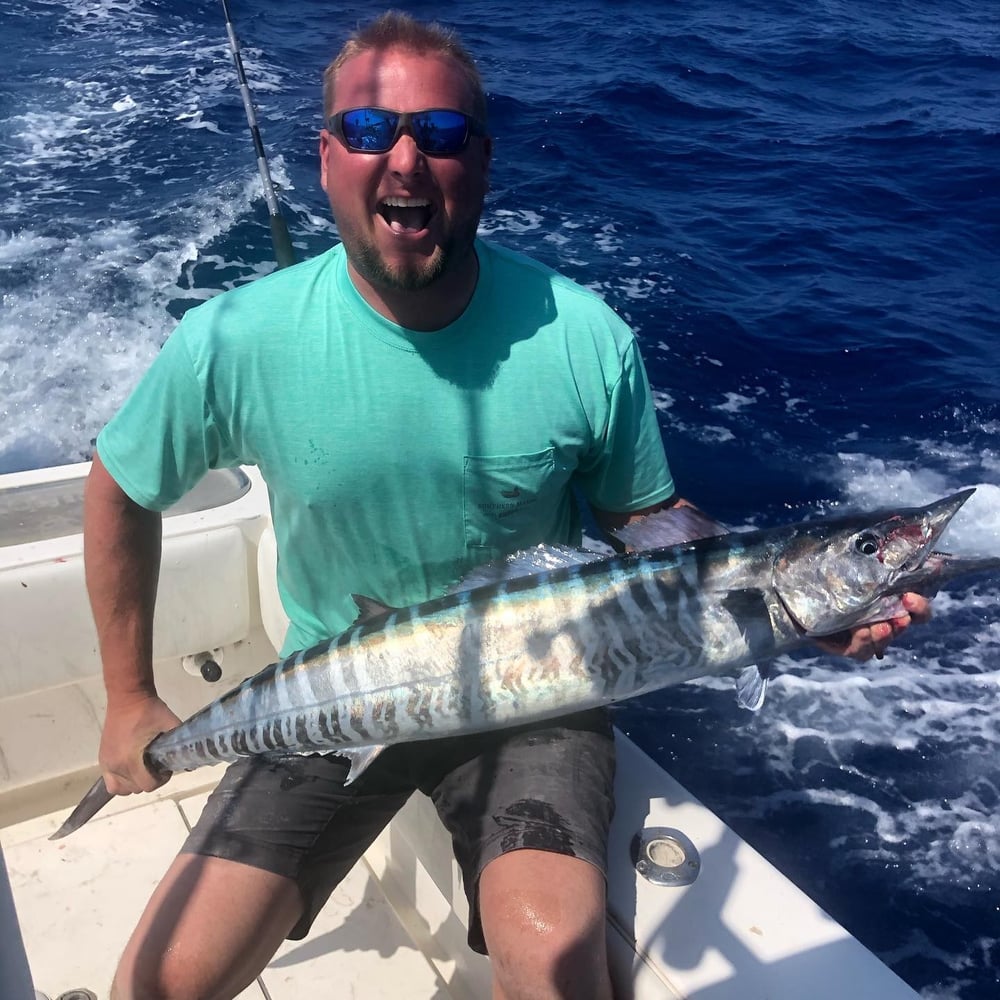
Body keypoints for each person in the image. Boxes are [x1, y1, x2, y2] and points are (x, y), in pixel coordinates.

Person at [84, 11, 931, 1000]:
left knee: (558, 972)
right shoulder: (232, 338)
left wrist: (798, 614)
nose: (405, 160)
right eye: (368, 132)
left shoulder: (583, 337)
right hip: (338, 681)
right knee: (158, 982)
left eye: (441, 136)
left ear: (480, 163)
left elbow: (643, 519)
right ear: (325, 159)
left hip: (542, 692)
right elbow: (120, 488)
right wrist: (129, 696)